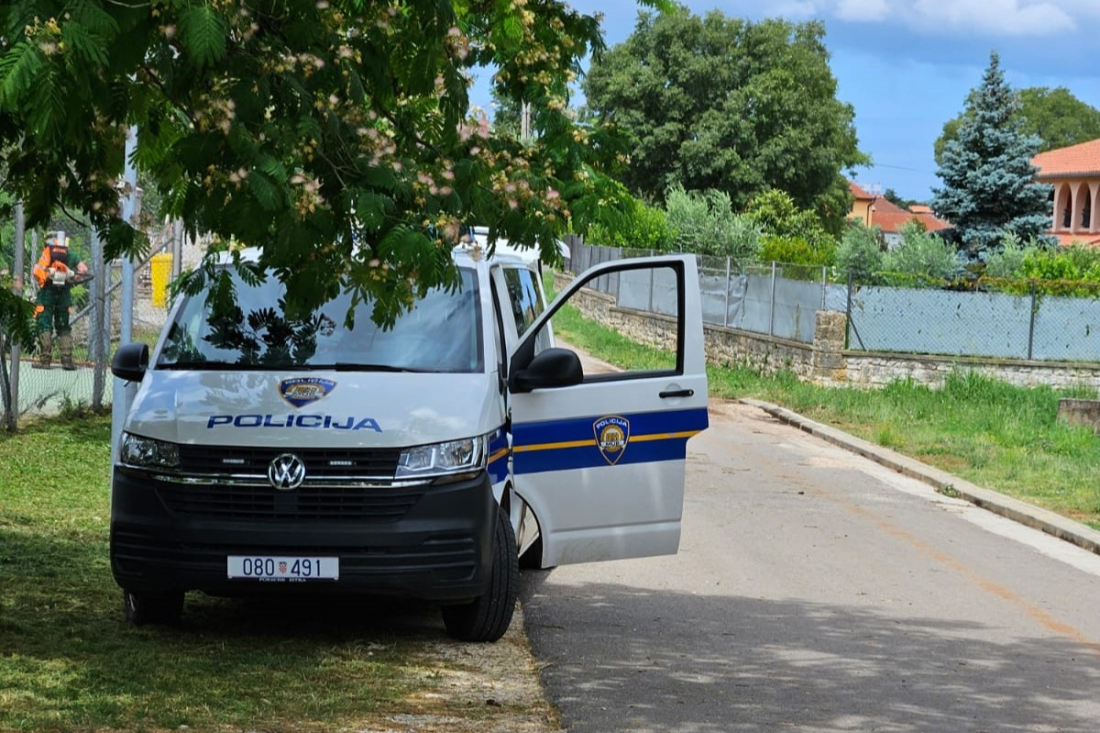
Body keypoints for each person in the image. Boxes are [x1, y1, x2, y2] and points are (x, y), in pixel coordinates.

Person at [32, 232, 89, 370]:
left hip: (47, 294)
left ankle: (45, 360)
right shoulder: (69, 253)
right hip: (64, 294)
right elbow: (84, 270)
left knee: (44, 324)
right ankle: (67, 360)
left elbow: (37, 273)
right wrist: (72, 278)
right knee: (63, 326)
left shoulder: (47, 252)